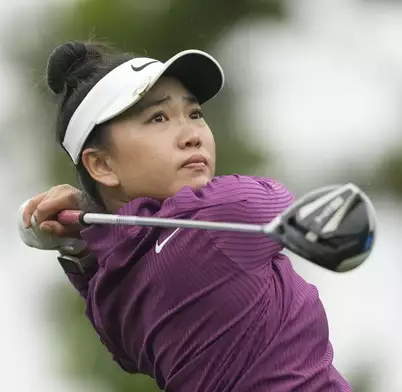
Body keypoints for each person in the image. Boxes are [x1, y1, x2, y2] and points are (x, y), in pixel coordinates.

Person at [18, 40, 352, 391]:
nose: (192, 135)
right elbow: (277, 200)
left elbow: (119, 342)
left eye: (195, 114)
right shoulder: (218, 218)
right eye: (158, 118)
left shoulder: (115, 289)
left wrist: (79, 244)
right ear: (101, 164)